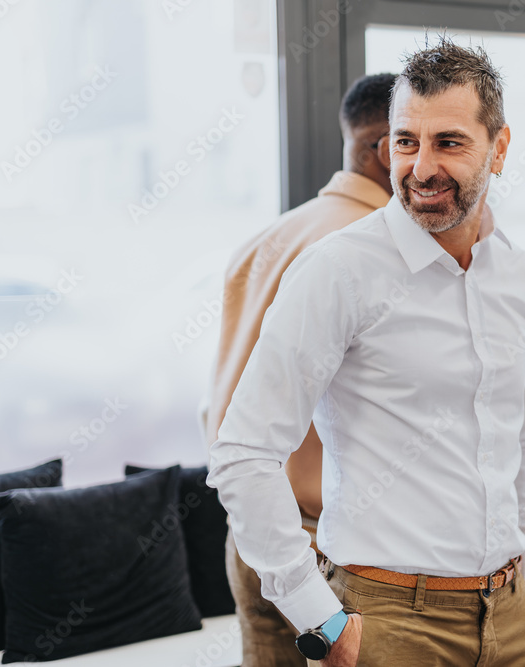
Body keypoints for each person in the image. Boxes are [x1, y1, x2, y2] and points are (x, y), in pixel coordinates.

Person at [208, 37, 525, 667]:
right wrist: (326, 623)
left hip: (510, 617)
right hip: (386, 622)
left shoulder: (517, 271)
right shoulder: (339, 269)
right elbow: (242, 451)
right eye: (405, 141)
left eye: (448, 142)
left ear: (498, 148)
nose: (421, 167)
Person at [203, 73, 397, 667]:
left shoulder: (267, 238)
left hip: (254, 537)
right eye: (419, 140)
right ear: (390, 148)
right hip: (326, 552)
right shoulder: (376, 252)